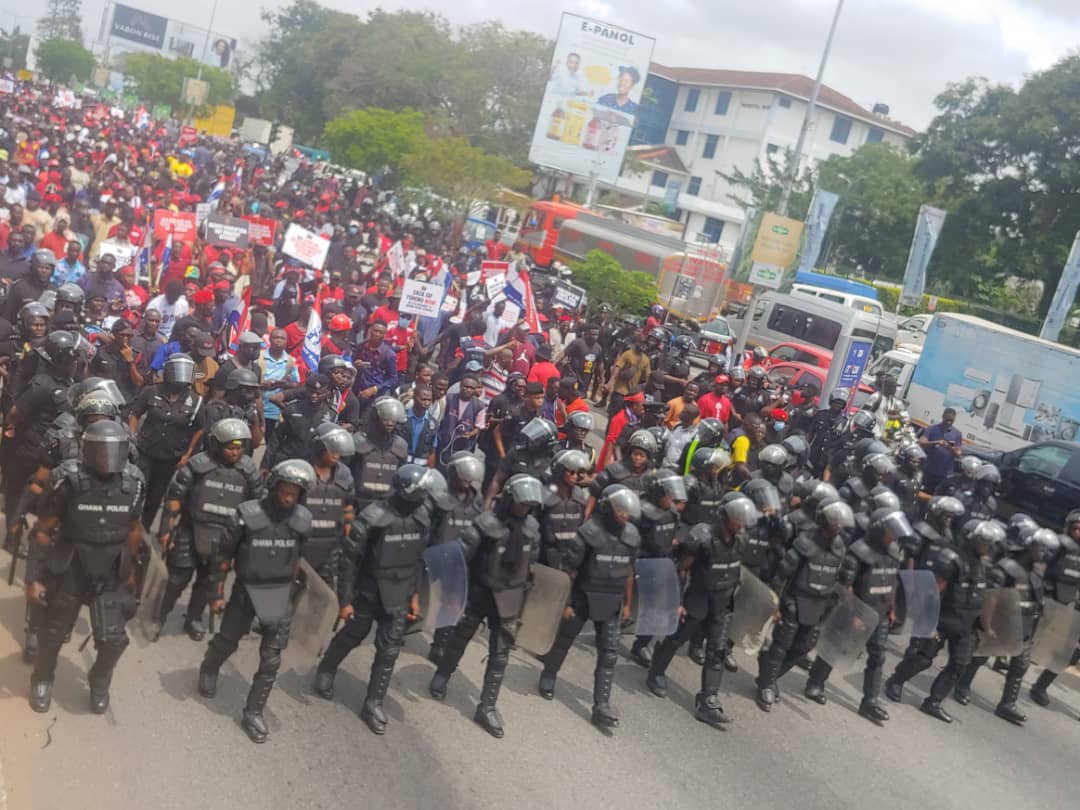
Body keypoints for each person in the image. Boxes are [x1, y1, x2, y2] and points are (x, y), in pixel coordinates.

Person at [314, 465, 444, 735]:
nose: (423, 498)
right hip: (369, 591)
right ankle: (326, 668)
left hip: (401, 593)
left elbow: (420, 559)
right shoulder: (373, 517)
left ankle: (373, 703)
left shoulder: (422, 517)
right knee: (353, 634)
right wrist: (346, 600)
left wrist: (416, 597)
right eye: (418, 493)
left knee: (389, 651)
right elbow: (349, 560)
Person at [26, 421, 145, 714]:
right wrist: (34, 578)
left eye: (114, 451)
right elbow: (43, 530)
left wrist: (132, 575)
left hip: (110, 569)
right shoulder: (67, 478)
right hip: (71, 565)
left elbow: (133, 529)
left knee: (114, 639)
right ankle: (42, 678)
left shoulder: (134, 481)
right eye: (102, 451)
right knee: (52, 633)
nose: (108, 459)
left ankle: (100, 681)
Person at [198, 460, 315, 744]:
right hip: (245, 591)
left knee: (271, 660)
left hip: (279, 594)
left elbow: (302, 556)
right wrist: (216, 594)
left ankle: (253, 712)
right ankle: (209, 667)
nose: (289, 499)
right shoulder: (246, 515)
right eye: (285, 492)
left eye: (295, 494)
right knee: (227, 641)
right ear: (274, 487)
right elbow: (222, 556)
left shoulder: (303, 520)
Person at [430, 473, 545, 737]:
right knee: (459, 638)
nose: (524, 510)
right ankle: (443, 674)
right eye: (521, 504)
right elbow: (461, 557)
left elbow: (531, 567)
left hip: (509, 600)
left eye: (529, 506)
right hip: (480, 593)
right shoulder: (484, 524)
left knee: (500, 655)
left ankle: (487, 706)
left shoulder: (531, 530)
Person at [648, 494, 758, 727]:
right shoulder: (703, 538)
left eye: (743, 519)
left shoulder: (741, 540)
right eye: (737, 518)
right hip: (697, 599)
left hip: (722, 603)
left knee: (716, 650)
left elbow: (738, 570)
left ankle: (708, 701)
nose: (740, 524)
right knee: (677, 638)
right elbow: (682, 569)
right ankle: (656, 671)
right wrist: (676, 601)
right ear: (724, 516)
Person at [537, 485, 641, 730]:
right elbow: (570, 571)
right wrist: (567, 603)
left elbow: (628, 571)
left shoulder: (632, 536)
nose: (624, 516)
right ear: (607, 508)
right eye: (620, 511)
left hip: (612, 600)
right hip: (583, 596)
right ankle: (549, 675)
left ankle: (601, 706)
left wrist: (627, 604)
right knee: (564, 640)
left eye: (627, 512)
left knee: (609, 654)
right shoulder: (588, 533)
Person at [152, 419, 262, 641]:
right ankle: (158, 618)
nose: (235, 452)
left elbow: (257, 507)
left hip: (224, 539)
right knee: (176, 580)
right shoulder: (197, 465)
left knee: (208, 582)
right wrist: (166, 529)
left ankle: (193, 618)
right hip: (190, 530)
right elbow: (174, 498)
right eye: (230, 447)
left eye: (239, 447)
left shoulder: (249, 472)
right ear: (217, 445)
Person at [884, 519, 1001, 723]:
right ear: (972, 539)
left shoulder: (984, 567)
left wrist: (986, 627)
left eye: (990, 543)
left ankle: (934, 702)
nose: (988, 547)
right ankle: (895, 681)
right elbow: (933, 590)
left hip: (967, 626)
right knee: (922, 658)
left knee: (959, 665)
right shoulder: (952, 560)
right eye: (984, 542)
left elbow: (985, 598)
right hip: (943, 619)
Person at [804, 508, 909, 723]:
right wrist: (854, 612)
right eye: (891, 531)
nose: (894, 536)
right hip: (858, 611)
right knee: (835, 646)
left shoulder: (893, 551)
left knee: (878, 655)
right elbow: (846, 585)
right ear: (880, 530)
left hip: (879, 613)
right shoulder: (859, 552)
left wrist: (891, 607)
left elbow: (892, 580)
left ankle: (870, 702)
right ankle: (815, 683)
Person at [756, 497, 854, 711]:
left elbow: (842, 576)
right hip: (795, 601)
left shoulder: (839, 547)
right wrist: (776, 604)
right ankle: (766, 685)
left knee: (803, 647)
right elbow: (782, 574)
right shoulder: (805, 542)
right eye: (834, 522)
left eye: (840, 523)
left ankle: (769, 674)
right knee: (782, 645)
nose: (837, 527)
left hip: (820, 605)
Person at [954, 525, 1058, 724]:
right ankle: (962, 685)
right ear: (1030, 545)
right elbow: (991, 598)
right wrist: (987, 625)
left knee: (1020, 666)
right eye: (1042, 548)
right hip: (1002, 621)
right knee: (980, 658)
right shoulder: (1006, 568)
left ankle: (1007, 704)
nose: (1045, 554)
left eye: (1048, 550)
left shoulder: (1036, 572)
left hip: (1025, 626)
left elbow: (1037, 601)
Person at [128, 353, 207, 529]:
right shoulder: (151, 391)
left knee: (157, 495)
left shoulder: (196, 401)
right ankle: (130, 524)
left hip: (171, 456)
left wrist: (187, 454)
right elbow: (135, 413)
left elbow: (200, 428)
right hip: (145, 450)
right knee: (138, 487)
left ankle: (144, 527)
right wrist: (132, 437)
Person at [425, 452, 486, 663]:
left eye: (470, 479)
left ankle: (439, 645)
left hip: (460, 559)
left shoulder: (476, 499)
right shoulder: (438, 494)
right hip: (434, 555)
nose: (467, 483)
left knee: (451, 604)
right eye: (463, 477)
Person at [628, 469, 686, 667]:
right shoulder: (640, 511)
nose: (670, 499)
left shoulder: (672, 512)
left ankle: (640, 645)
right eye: (666, 494)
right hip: (640, 561)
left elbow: (672, 535)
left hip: (661, 562)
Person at [1029, 510, 1080, 707]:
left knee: (1068, 652)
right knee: (1027, 636)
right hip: (1049, 597)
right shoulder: (1059, 545)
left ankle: (1040, 686)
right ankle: (1004, 657)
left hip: (1072, 605)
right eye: (1076, 528)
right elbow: (1039, 567)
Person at [302, 424, 356, 591]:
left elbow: (348, 508)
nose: (336, 455)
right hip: (300, 548)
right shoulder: (301, 470)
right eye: (332, 450)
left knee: (324, 600)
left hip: (330, 549)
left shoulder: (344, 474)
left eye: (338, 451)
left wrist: (349, 537)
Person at [353, 396, 410, 508]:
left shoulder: (401, 446)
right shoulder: (358, 441)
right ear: (376, 417)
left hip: (387, 504)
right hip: (360, 501)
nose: (389, 423)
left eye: (393, 420)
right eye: (385, 419)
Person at [603, 333, 650, 416]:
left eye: (645, 344)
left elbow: (647, 377)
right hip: (619, 391)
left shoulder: (646, 360)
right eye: (641, 342)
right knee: (613, 415)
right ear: (636, 343)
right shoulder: (628, 354)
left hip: (632, 394)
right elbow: (617, 368)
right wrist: (610, 383)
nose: (643, 345)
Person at [597, 389, 644, 470]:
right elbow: (611, 442)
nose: (643, 408)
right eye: (642, 405)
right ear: (634, 406)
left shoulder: (634, 418)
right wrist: (607, 464)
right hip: (611, 457)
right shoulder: (619, 418)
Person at [919, 408, 963, 493]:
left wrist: (950, 447)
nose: (949, 422)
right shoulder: (932, 429)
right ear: (943, 417)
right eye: (947, 419)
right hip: (929, 470)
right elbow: (921, 442)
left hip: (945, 475)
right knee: (923, 494)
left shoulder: (957, 434)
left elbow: (959, 453)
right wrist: (937, 442)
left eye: (951, 420)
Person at [399, 383, 438, 466]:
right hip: (401, 465)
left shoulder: (433, 424)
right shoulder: (401, 418)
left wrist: (429, 471)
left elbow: (432, 451)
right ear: (414, 398)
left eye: (429, 400)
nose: (427, 403)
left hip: (420, 469)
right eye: (423, 399)